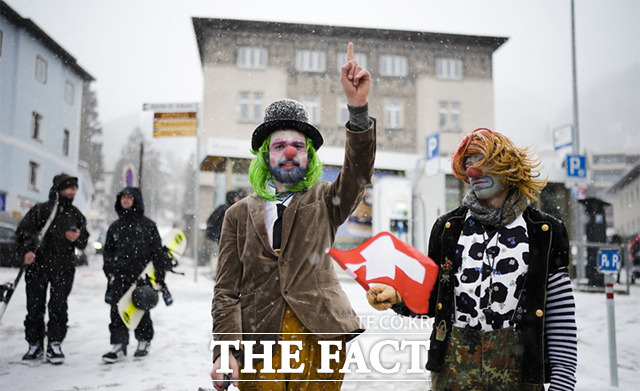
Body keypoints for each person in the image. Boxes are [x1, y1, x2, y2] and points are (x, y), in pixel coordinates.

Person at [210, 42, 374, 390]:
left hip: (319, 338)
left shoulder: (326, 200)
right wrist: (225, 350)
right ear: (265, 156)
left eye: (298, 146)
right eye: (279, 145)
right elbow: (226, 292)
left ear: (309, 156)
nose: (289, 152)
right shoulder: (238, 216)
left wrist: (358, 111)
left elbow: (358, 173)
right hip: (259, 343)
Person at [367, 128, 578, 391]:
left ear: (508, 167)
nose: (472, 171)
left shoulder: (544, 231)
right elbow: (433, 299)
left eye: (483, 162)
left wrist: (563, 383)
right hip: (453, 374)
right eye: (468, 164)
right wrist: (398, 297)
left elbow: (560, 317)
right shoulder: (448, 228)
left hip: (519, 375)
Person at [15, 173, 89, 364]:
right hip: (37, 268)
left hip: (63, 268)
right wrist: (27, 251)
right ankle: (34, 345)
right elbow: (23, 232)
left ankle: (55, 343)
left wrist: (78, 238)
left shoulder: (76, 215)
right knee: (34, 307)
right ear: (59, 188)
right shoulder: (41, 210)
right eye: (69, 187)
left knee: (58, 307)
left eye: (75, 188)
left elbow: (84, 240)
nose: (73, 191)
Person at [101, 187, 170, 363]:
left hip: (142, 277)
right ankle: (118, 345)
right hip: (120, 277)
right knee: (117, 310)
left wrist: (160, 278)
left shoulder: (148, 225)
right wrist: (108, 267)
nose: (125, 200)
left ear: (136, 200)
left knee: (141, 309)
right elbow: (107, 251)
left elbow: (157, 254)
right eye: (122, 197)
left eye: (129, 197)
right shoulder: (115, 227)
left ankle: (144, 341)